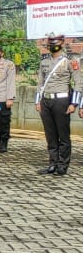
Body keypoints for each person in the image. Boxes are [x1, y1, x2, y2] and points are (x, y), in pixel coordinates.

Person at [34, 34, 81, 175]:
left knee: (63, 135)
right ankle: (52, 163)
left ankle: (62, 165)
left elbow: (79, 83)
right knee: (50, 135)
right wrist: (38, 101)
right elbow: (40, 83)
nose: (52, 45)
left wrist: (74, 103)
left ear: (61, 43)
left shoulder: (70, 61)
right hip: (46, 101)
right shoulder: (44, 62)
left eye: (55, 43)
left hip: (62, 101)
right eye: (50, 43)